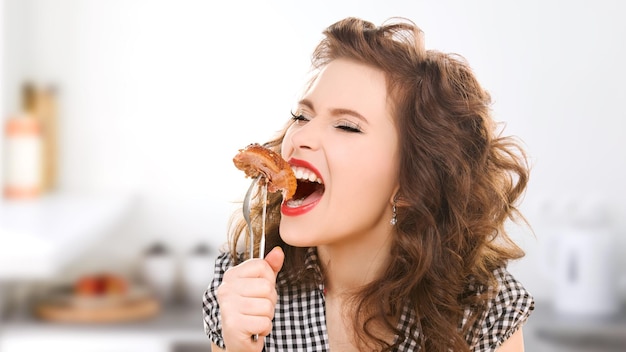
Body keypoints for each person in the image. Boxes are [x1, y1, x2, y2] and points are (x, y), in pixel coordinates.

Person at [203, 16, 534, 352]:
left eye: (347, 126)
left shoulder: (484, 309)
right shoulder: (241, 287)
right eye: (302, 116)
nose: (300, 136)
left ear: (411, 182)